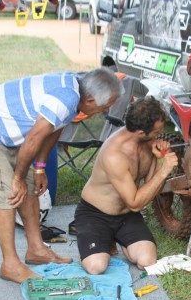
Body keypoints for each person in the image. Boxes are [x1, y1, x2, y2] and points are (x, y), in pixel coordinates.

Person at [0, 68, 123, 284]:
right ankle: (11, 265)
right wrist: (16, 178)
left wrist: (39, 168)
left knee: (30, 185)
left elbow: (53, 130)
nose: (106, 110)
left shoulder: (77, 90)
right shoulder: (66, 98)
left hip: (5, 132)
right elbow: (34, 138)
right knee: (9, 193)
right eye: (105, 106)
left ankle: (36, 249)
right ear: (90, 100)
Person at [74, 96, 178, 275]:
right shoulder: (114, 154)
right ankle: (101, 243)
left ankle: (117, 240)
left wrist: (160, 160)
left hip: (127, 216)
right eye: (156, 132)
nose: (159, 136)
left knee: (147, 261)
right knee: (97, 267)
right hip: (95, 215)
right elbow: (136, 202)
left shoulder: (147, 143)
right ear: (140, 132)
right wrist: (164, 171)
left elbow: (152, 189)